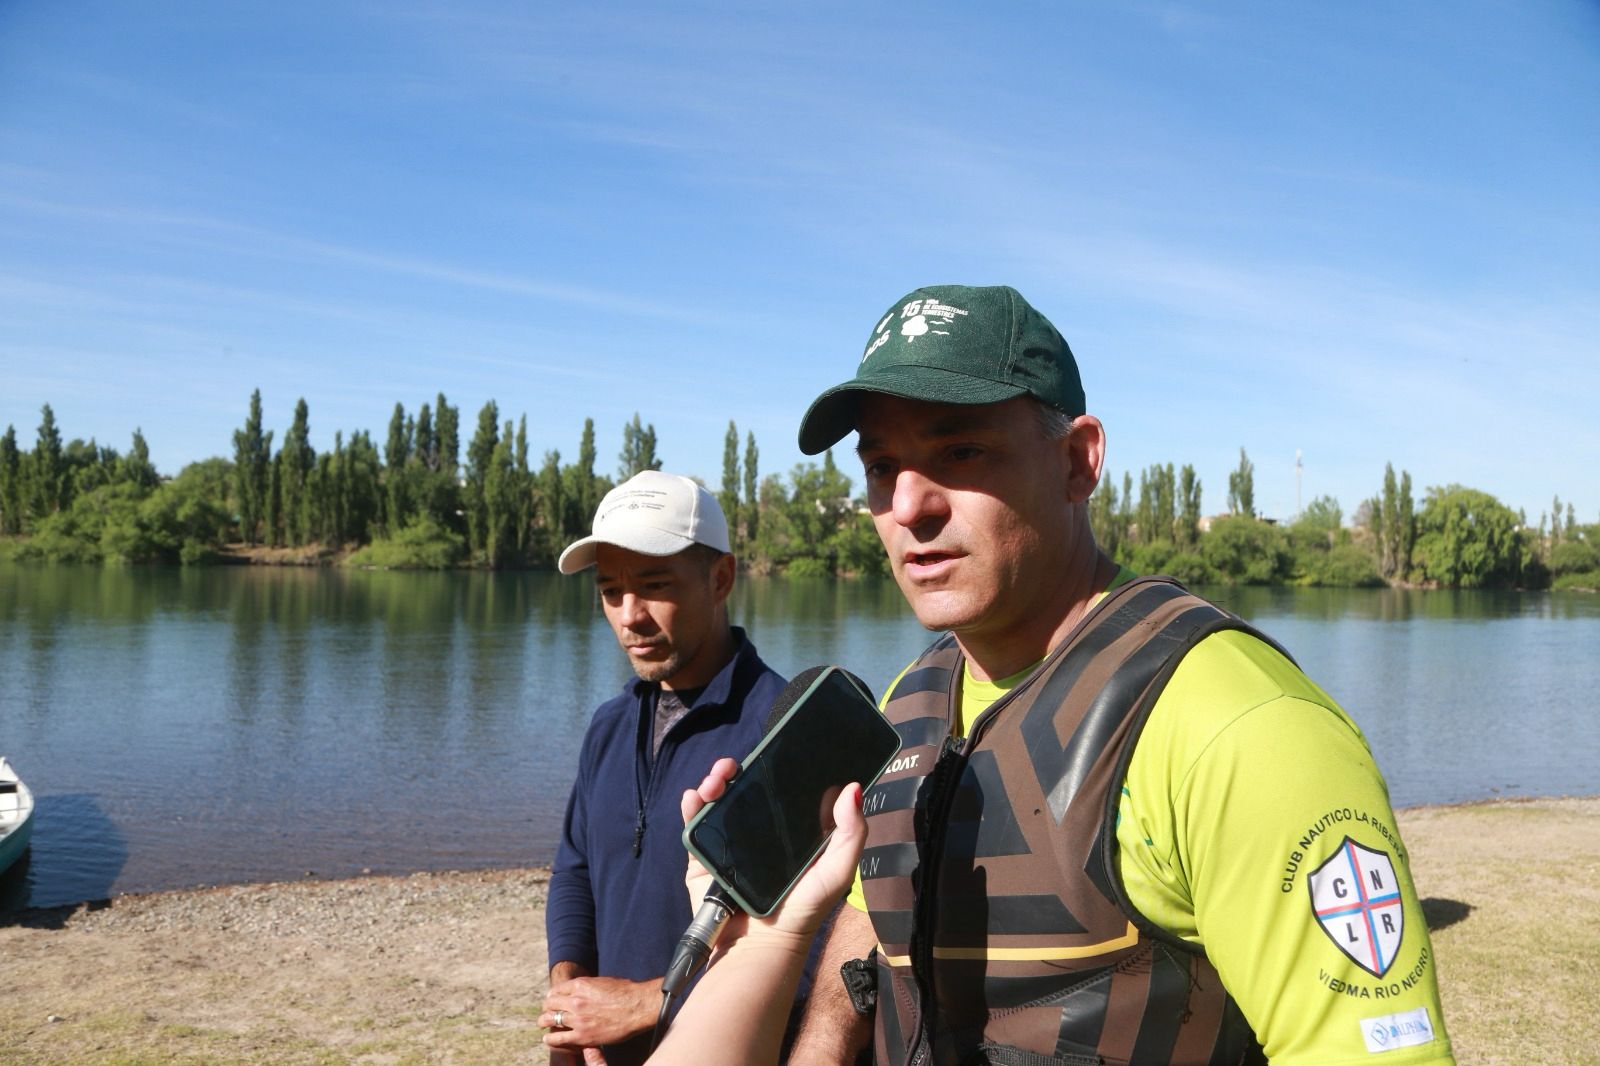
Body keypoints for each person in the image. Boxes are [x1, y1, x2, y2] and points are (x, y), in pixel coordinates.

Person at [783, 285, 1454, 1065]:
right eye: (881, 466)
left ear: (1077, 460)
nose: (908, 505)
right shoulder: (913, 699)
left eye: (960, 452)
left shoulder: (1239, 723)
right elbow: (873, 924)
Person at [543, 470, 789, 1066]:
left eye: (655, 585)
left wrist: (653, 1001)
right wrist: (567, 1000)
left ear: (721, 578)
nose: (631, 617)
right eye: (609, 592)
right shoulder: (609, 725)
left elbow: (815, 939)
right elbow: (575, 871)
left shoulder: (780, 728)